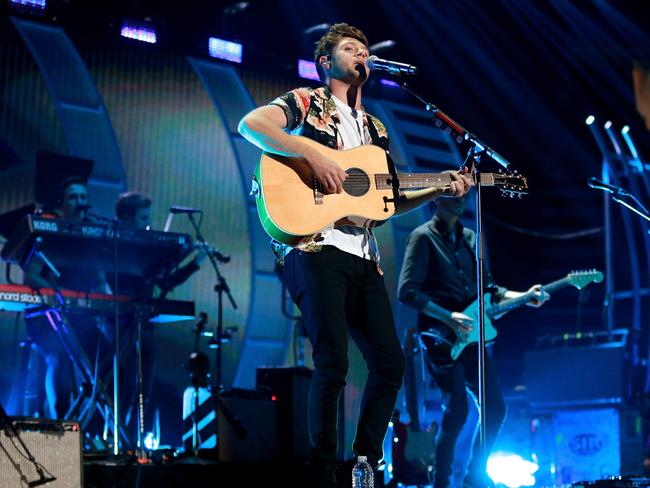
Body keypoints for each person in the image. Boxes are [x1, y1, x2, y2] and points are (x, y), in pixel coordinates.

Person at [238, 23, 471, 487]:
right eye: (351, 48)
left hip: (363, 256)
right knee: (334, 362)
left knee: (389, 362)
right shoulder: (307, 101)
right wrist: (314, 154)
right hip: (315, 244)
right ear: (327, 61)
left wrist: (438, 188)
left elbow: (381, 201)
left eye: (366, 50)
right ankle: (322, 472)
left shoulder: (376, 129)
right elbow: (253, 125)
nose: (362, 54)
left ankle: (364, 463)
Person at [398, 195, 549, 488]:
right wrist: (447, 316)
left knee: (495, 408)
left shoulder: (469, 238)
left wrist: (525, 296)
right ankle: (441, 481)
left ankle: (474, 477)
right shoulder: (422, 238)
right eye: (451, 196)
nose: (459, 200)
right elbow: (407, 291)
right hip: (440, 336)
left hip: (471, 337)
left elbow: (491, 290)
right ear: (435, 202)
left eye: (462, 196)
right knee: (458, 409)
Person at [24, 176, 110, 420]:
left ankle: (93, 425)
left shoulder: (91, 236)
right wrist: (61, 296)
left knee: (108, 361)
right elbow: (31, 276)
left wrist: (111, 304)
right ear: (61, 203)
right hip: (45, 313)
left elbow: (102, 282)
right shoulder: (48, 228)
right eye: (74, 197)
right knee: (59, 356)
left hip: (80, 315)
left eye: (84, 197)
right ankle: (61, 424)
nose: (80, 202)